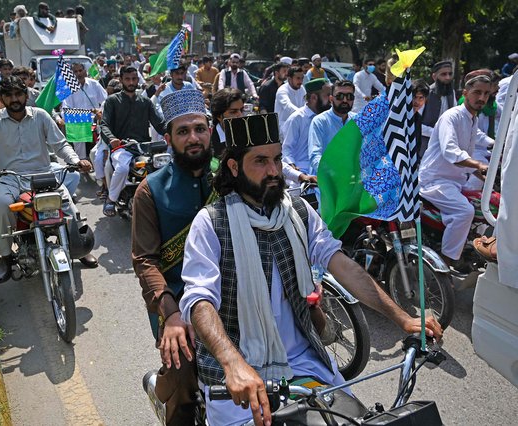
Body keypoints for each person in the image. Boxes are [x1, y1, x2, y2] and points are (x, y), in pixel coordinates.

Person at [179, 113, 443, 425]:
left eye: (277, 159)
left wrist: (404, 318)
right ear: (234, 168)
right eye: (260, 161)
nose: (274, 171)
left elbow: (343, 266)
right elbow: (199, 300)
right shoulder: (210, 223)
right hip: (237, 382)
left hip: (306, 366)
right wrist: (232, 363)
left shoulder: (299, 213)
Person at [132, 89, 214, 425]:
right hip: (177, 305)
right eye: (183, 132)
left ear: (210, 131)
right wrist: (172, 315)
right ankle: (165, 389)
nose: (193, 138)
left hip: (233, 296)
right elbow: (145, 260)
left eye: (199, 128)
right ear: (168, 139)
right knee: (183, 388)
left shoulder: (232, 175)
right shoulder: (150, 190)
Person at [0, 76, 93, 282]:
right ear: (2, 98)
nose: (14, 99)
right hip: (9, 178)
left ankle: (78, 249)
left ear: (26, 95)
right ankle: (5, 256)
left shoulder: (41, 116)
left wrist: (76, 160)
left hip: (44, 176)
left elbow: (60, 145)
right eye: (9, 95)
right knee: (1, 206)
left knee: (71, 211)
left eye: (18, 94)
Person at [419, 75, 493, 268]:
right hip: (435, 181)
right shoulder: (451, 116)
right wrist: (478, 166)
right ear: (465, 93)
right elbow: (451, 150)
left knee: (489, 203)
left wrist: (481, 172)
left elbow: (470, 150)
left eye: (486, 93)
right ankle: (447, 262)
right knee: (464, 211)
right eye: (477, 92)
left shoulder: (472, 119)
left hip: (457, 181)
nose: (482, 98)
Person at [99, 66, 166, 216]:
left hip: (143, 148)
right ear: (121, 80)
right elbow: (104, 125)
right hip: (121, 148)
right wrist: (112, 139)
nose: (131, 82)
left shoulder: (145, 102)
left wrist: (173, 132)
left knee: (164, 166)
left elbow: (160, 124)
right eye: (128, 79)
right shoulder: (112, 101)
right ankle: (111, 199)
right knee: (122, 168)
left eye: (134, 79)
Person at [56, 62, 107, 161]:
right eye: (75, 71)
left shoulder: (94, 84)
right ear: (71, 73)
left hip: (96, 120)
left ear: (85, 71)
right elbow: (65, 108)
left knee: (103, 134)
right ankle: (82, 161)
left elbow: (106, 101)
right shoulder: (68, 87)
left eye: (80, 70)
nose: (78, 74)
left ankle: (99, 159)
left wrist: (100, 112)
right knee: (77, 125)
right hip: (79, 120)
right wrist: (81, 115)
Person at [281, 78, 330, 180]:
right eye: (327, 95)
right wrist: (292, 165)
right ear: (313, 97)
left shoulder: (327, 118)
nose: (331, 99)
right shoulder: (297, 119)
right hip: (303, 175)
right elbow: (286, 149)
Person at [308, 80, 357, 175]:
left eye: (349, 97)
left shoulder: (357, 121)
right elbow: (315, 156)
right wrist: (334, 174)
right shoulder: (320, 121)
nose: (345, 100)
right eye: (340, 96)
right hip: (325, 182)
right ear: (331, 99)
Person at [419, 60, 457, 159]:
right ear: (434, 77)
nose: (448, 77)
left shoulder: (451, 93)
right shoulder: (425, 94)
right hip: (425, 147)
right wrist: (438, 133)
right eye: (443, 74)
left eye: (450, 74)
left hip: (445, 145)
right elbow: (417, 124)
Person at [210, 88, 245, 158]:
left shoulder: (248, 135)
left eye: (241, 110)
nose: (240, 115)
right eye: (233, 112)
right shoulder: (209, 143)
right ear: (219, 116)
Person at [275, 66, 306, 136]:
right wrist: (304, 115)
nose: (301, 81)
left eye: (302, 78)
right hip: (284, 128)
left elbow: (306, 105)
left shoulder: (302, 89)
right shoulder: (282, 91)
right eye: (298, 78)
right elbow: (288, 107)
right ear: (289, 79)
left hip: (299, 125)